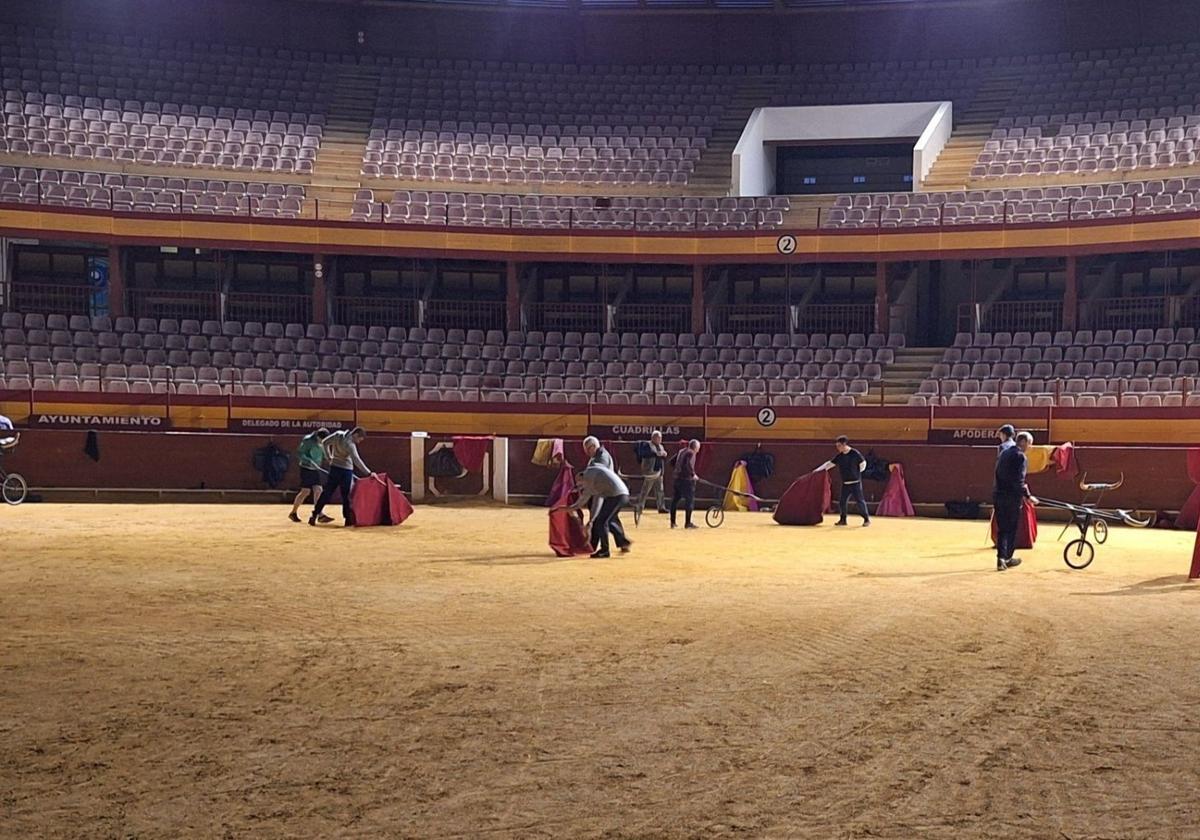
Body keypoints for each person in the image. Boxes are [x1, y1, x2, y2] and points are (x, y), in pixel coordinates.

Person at [554, 462, 632, 558]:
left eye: (579, 483)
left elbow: (582, 500)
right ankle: (617, 543)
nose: (580, 486)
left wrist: (567, 508)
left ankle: (605, 550)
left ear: (581, 477)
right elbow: (596, 502)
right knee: (604, 520)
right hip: (621, 495)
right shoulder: (596, 479)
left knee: (601, 522)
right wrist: (591, 520)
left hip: (617, 496)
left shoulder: (589, 477)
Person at [994, 430, 1039, 571]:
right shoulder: (1021, 457)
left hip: (998, 495)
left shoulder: (1004, 453)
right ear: (1024, 442)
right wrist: (1027, 496)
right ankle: (1007, 558)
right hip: (1011, 498)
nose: (1030, 447)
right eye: (1030, 444)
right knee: (1012, 528)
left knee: (1002, 529)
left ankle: (1001, 558)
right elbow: (1019, 481)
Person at [310, 426, 371, 527]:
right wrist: (368, 473)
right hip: (346, 471)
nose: (359, 442)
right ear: (355, 435)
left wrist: (329, 457)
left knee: (327, 492)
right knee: (346, 496)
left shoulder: (338, 434)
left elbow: (325, 442)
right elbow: (356, 460)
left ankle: (315, 514)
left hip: (334, 468)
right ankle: (347, 519)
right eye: (359, 439)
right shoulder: (350, 444)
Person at [819, 435, 871, 527]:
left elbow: (863, 463)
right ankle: (843, 520)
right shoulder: (840, 456)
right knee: (842, 502)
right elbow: (829, 464)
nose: (837, 448)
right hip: (846, 483)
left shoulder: (855, 453)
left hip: (855, 483)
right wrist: (818, 471)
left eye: (839, 446)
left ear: (844, 444)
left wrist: (857, 473)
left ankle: (866, 519)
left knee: (860, 501)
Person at [289, 427, 334, 523]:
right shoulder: (307, 440)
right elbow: (300, 453)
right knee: (305, 491)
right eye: (321, 440)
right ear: (317, 436)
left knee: (318, 490)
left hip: (316, 469)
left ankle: (319, 513)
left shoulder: (323, 441)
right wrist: (309, 461)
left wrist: (330, 460)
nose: (322, 442)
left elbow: (324, 451)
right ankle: (293, 512)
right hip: (306, 468)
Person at [634, 430, 669, 518]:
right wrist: (657, 454)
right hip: (650, 471)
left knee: (660, 490)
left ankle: (661, 507)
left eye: (660, 438)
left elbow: (662, 458)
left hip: (659, 471)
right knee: (645, 490)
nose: (660, 439)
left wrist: (664, 455)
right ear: (653, 438)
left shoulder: (661, 446)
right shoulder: (647, 445)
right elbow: (644, 454)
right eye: (658, 438)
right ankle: (640, 507)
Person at [670, 439, 701, 529]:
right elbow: (687, 465)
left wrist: (677, 471)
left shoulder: (681, 451)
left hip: (677, 479)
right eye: (698, 448)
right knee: (689, 501)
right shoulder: (690, 453)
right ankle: (688, 523)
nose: (698, 450)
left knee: (675, 500)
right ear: (695, 447)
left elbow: (673, 462)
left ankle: (673, 522)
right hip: (686, 480)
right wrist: (693, 474)